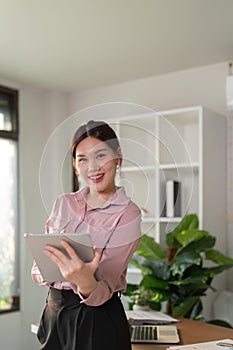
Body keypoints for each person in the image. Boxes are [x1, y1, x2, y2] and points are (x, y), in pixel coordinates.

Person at [31, 120, 141, 350]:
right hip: (54, 312)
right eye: (83, 159)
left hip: (96, 319)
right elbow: (38, 268)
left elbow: (104, 288)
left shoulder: (128, 214)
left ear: (118, 157)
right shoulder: (63, 203)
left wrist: (85, 282)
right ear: (75, 165)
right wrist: (61, 272)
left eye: (100, 155)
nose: (93, 167)